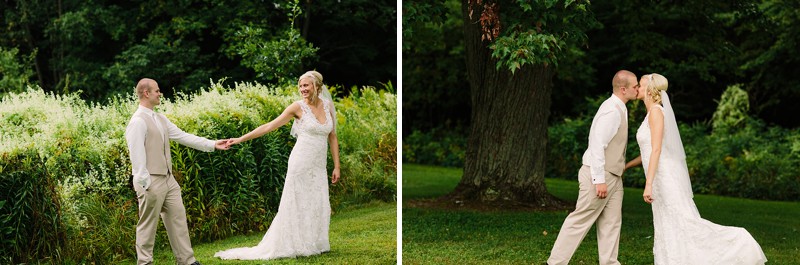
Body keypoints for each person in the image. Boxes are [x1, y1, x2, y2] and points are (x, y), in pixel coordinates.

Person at [626, 73, 767, 264]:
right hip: (659, 177)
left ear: (650, 90)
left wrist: (648, 184)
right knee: (669, 224)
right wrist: (626, 165)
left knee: (684, 223)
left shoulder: (657, 113)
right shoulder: (651, 114)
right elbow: (649, 151)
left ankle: (740, 242)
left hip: (664, 177)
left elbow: (657, 149)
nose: (637, 89)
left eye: (640, 86)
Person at [214, 70, 341, 260]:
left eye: (306, 85)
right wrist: (240, 139)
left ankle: (315, 242)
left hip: (318, 163)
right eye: (300, 86)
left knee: (316, 199)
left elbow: (332, 136)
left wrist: (337, 166)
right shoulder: (297, 107)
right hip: (300, 161)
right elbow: (268, 126)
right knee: (297, 201)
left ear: (317, 86)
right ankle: (293, 243)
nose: (302, 89)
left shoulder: (328, 106)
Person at [125, 78, 231, 265]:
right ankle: (145, 263)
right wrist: (144, 183)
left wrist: (213, 144)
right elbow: (137, 155)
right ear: (146, 93)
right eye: (157, 91)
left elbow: (183, 137)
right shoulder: (137, 122)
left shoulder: (160, 118)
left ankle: (186, 261)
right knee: (147, 226)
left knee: (178, 220)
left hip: (168, 180)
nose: (160, 93)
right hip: (151, 182)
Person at [547, 70, 639, 265]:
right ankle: (555, 263)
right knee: (580, 220)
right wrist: (599, 180)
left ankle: (609, 263)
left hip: (614, 175)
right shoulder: (611, 111)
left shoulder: (620, 107)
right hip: (599, 175)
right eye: (635, 86)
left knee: (611, 223)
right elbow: (597, 145)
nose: (638, 89)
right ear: (623, 89)